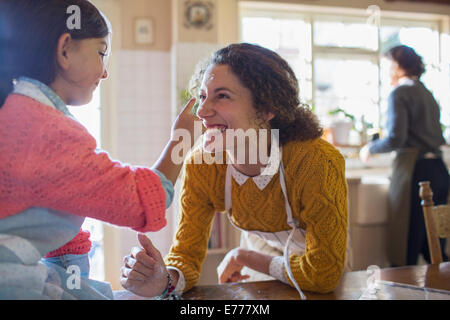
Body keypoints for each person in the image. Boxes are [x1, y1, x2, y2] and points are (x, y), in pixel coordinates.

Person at [121, 43, 352, 299]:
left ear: (267, 108)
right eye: (202, 96)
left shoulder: (315, 161)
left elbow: (323, 273)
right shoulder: (203, 166)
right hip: (257, 265)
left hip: (315, 270)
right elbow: (186, 254)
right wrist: (164, 280)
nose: (202, 112)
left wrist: (244, 256)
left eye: (222, 96)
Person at [0, 0, 196, 299]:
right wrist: (182, 139)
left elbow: (53, 221)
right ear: (65, 49)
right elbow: (145, 199)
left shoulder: (17, 111)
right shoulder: (48, 130)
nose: (105, 73)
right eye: (101, 53)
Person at [360, 45, 449, 266]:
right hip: (439, 169)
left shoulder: (399, 92)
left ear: (398, 66)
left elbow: (395, 138)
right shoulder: (427, 93)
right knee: (434, 244)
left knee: (406, 240)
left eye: (388, 64)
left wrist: (369, 149)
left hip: (415, 171)